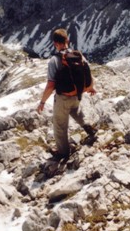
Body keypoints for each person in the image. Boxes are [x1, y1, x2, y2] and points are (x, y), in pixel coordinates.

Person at [37, 28, 96, 159]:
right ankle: (90, 129)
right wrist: (90, 87)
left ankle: (63, 153)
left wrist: (42, 102)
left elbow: (51, 85)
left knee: (59, 125)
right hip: (78, 95)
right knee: (76, 111)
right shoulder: (78, 55)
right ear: (67, 41)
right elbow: (88, 71)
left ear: (55, 44)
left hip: (63, 98)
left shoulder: (55, 60)